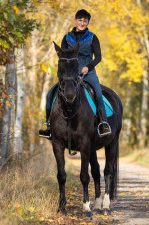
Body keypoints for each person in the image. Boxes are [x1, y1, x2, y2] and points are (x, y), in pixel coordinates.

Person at [39, 9, 111, 139]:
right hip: (69, 76)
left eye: (85, 21)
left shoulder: (93, 37)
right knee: (50, 94)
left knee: (98, 93)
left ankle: (103, 123)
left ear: (88, 22)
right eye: (80, 20)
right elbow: (63, 57)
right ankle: (48, 124)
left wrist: (88, 67)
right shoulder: (67, 38)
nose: (82, 23)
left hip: (88, 73)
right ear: (75, 21)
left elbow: (98, 57)